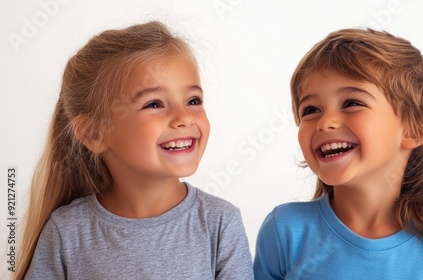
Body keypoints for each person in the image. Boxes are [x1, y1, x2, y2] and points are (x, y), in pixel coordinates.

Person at [16, 21, 253, 280]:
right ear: (94, 133)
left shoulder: (221, 223)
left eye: (192, 101)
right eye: (154, 104)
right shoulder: (67, 232)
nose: (183, 117)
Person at [253, 28, 423, 279]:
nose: (325, 122)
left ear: (413, 130)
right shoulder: (285, 231)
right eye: (311, 109)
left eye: (352, 103)